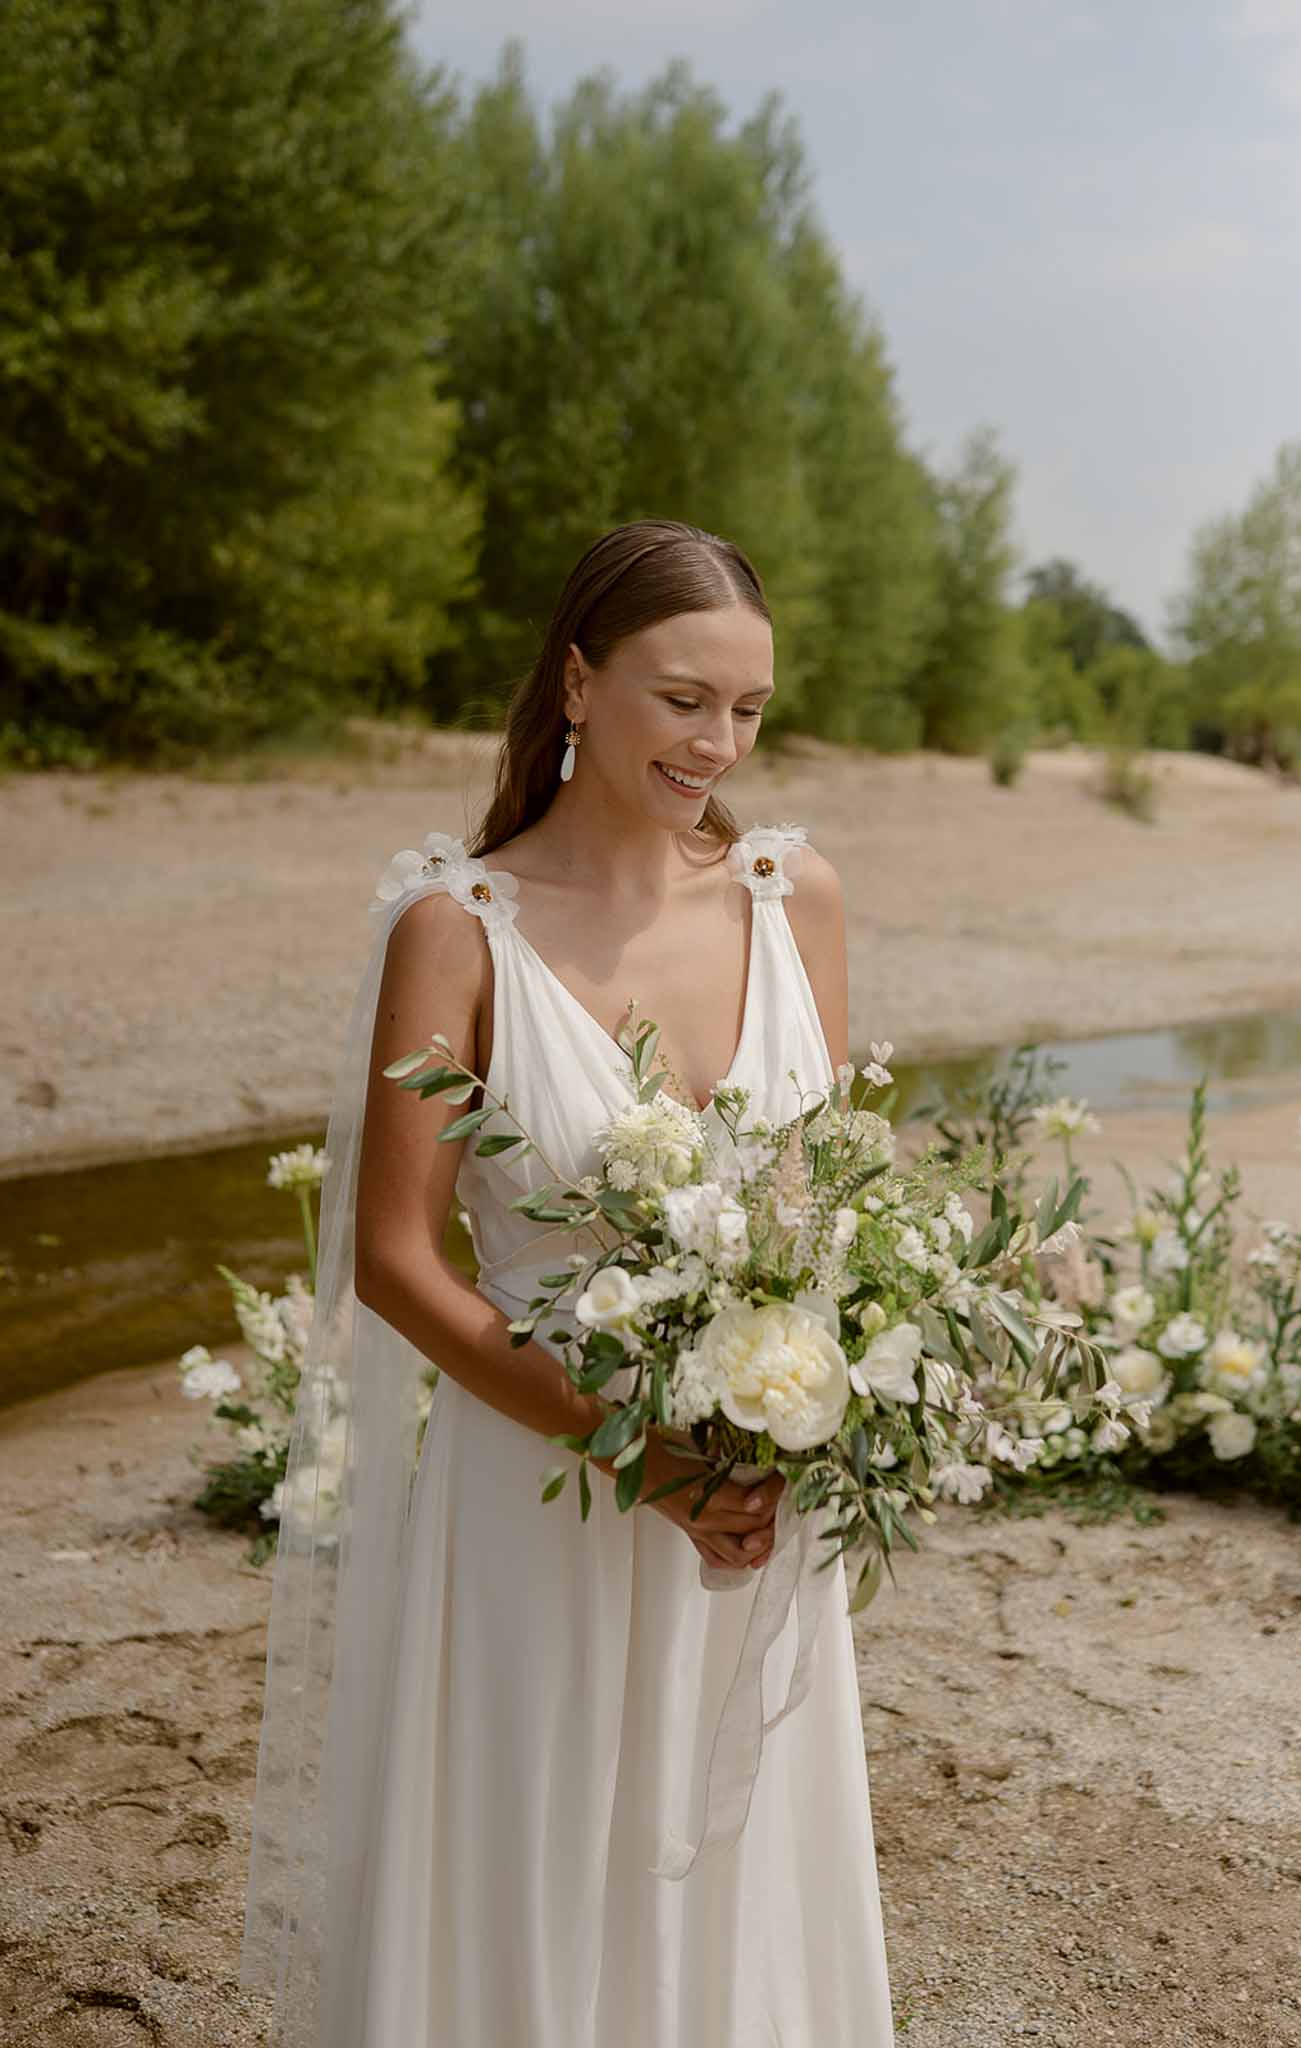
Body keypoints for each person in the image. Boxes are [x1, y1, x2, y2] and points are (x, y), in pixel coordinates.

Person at [239, 518, 897, 2045]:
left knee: (731, 1887)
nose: (717, 746)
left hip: (747, 1500)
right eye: (682, 699)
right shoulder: (456, 931)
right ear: (580, 680)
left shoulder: (797, 898)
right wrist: (629, 1448)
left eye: (747, 710)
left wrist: (801, 1421)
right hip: (541, 1490)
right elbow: (393, 1260)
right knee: (531, 1883)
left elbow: (835, 1196)